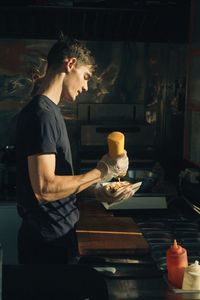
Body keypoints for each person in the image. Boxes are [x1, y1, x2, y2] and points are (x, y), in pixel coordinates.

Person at [16, 35, 132, 265]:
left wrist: (97, 191)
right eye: (86, 76)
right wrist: (102, 171)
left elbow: (59, 184)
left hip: (57, 237)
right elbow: (45, 189)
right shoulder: (42, 115)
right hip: (47, 245)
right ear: (70, 65)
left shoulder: (51, 112)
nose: (87, 86)